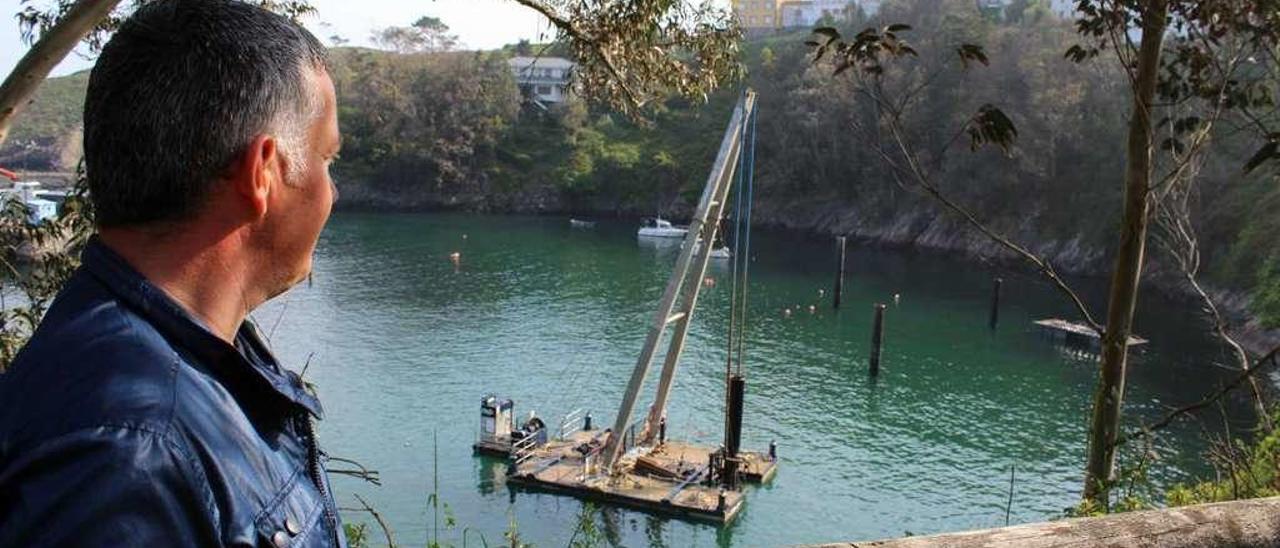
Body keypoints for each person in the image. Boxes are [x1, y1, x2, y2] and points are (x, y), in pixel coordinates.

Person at [0, 1, 344, 545]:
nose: (332, 192)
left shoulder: (147, 364)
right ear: (264, 172)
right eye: (328, 160)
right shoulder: (133, 456)